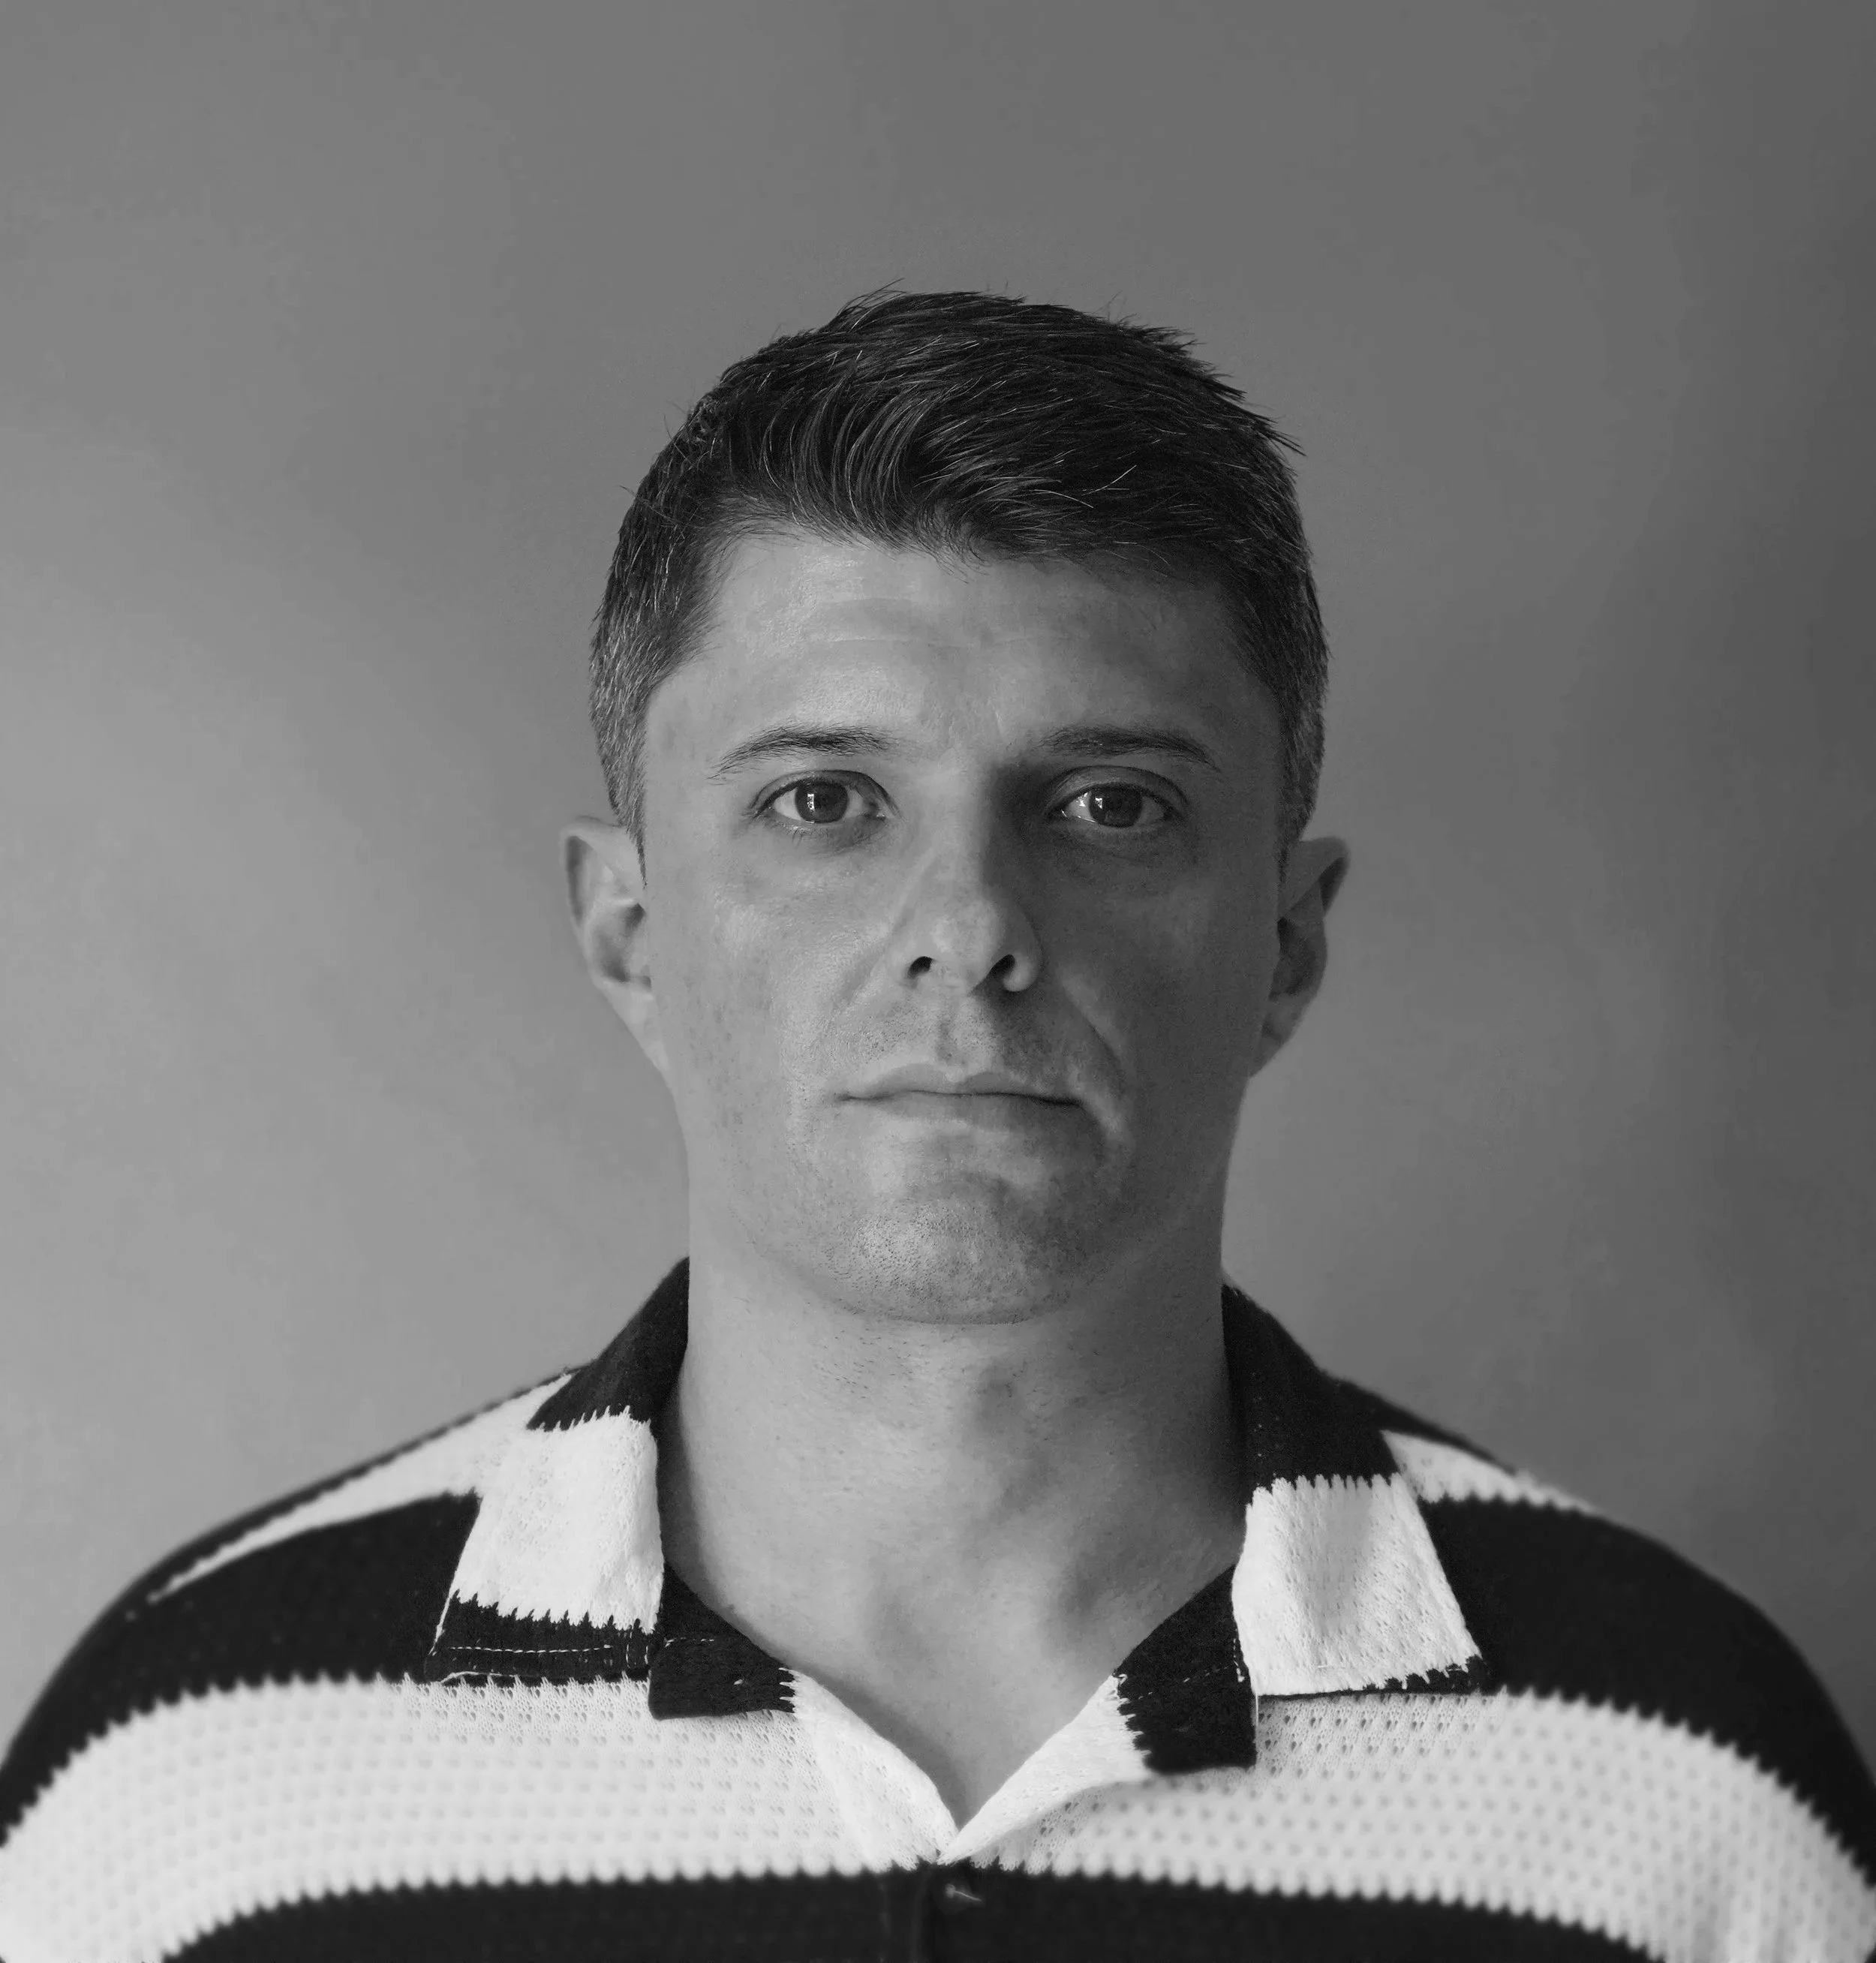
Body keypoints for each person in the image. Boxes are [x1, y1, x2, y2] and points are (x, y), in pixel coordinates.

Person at [1, 288, 1871, 1963]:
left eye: (1112, 806)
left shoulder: (1677, 1789)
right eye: (824, 801)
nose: (970, 932)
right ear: (629, 931)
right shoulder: (193, 1780)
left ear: (1284, 942)